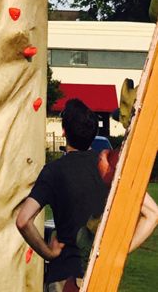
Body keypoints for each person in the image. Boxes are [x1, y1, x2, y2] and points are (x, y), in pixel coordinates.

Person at [16, 98, 158, 292]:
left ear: (64, 132)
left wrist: (48, 252)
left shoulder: (53, 171)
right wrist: (118, 252)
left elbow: (23, 220)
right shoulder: (110, 169)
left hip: (64, 277)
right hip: (100, 277)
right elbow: (152, 214)